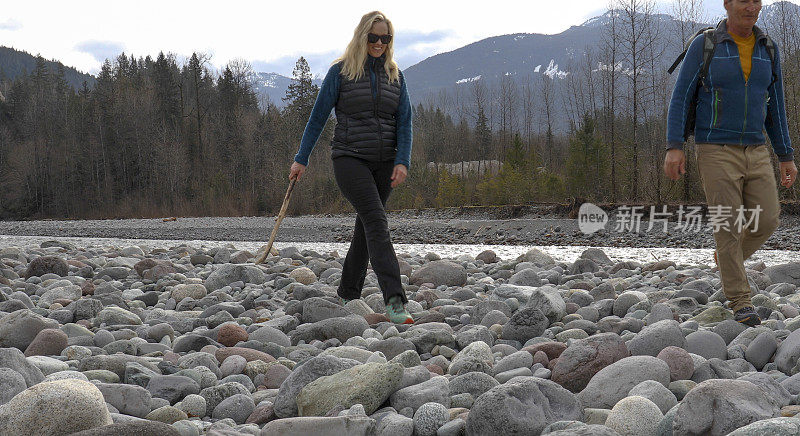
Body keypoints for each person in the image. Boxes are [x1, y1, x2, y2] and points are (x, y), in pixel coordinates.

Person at [664, 0, 797, 326]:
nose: (750, 7)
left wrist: (785, 155)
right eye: (742, 1)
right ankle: (741, 302)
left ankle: (726, 259)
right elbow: (681, 95)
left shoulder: (769, 49)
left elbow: (776, 105)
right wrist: (674, 146)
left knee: (768, 219)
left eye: (755, 1)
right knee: (729, 225)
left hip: (755, 149)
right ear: (727, 4)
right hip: (715, 148)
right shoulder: (706, 44)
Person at [289, 11, 414, 324]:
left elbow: (405, 122)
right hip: (349, 159)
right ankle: (395, 299)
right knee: (376, 220)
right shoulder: (340, 72)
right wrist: (301, 158)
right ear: (362, 37)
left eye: (385, 38)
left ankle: (347, 293)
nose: (379, 43)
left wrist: (402, 160)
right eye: (373, 37)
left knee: (366, 227)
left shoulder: (395, 75)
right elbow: (318, 117)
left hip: (385, 163)